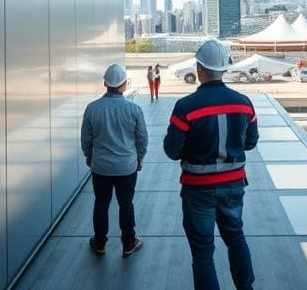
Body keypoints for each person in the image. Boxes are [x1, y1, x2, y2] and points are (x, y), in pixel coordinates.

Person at [164, 40, 258, 290]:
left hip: (198, 190)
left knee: (203, 251)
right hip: (234, 186)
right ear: (224, 69)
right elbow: (251, 142)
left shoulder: (185, 107)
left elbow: (172, 151)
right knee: (236, 238)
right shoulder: (244, 103)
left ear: (199, 69)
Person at [81, 63, 148, 258]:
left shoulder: (92, 108)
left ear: (105, 83)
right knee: (126, 204)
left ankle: (100, 242)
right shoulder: (134, 110)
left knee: (101, 203)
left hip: (100, 166)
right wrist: (139, 159)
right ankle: (129, 243)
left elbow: (86, 140)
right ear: (124, 85)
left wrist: (90, 157)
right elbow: (142, 139)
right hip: (127, 167)